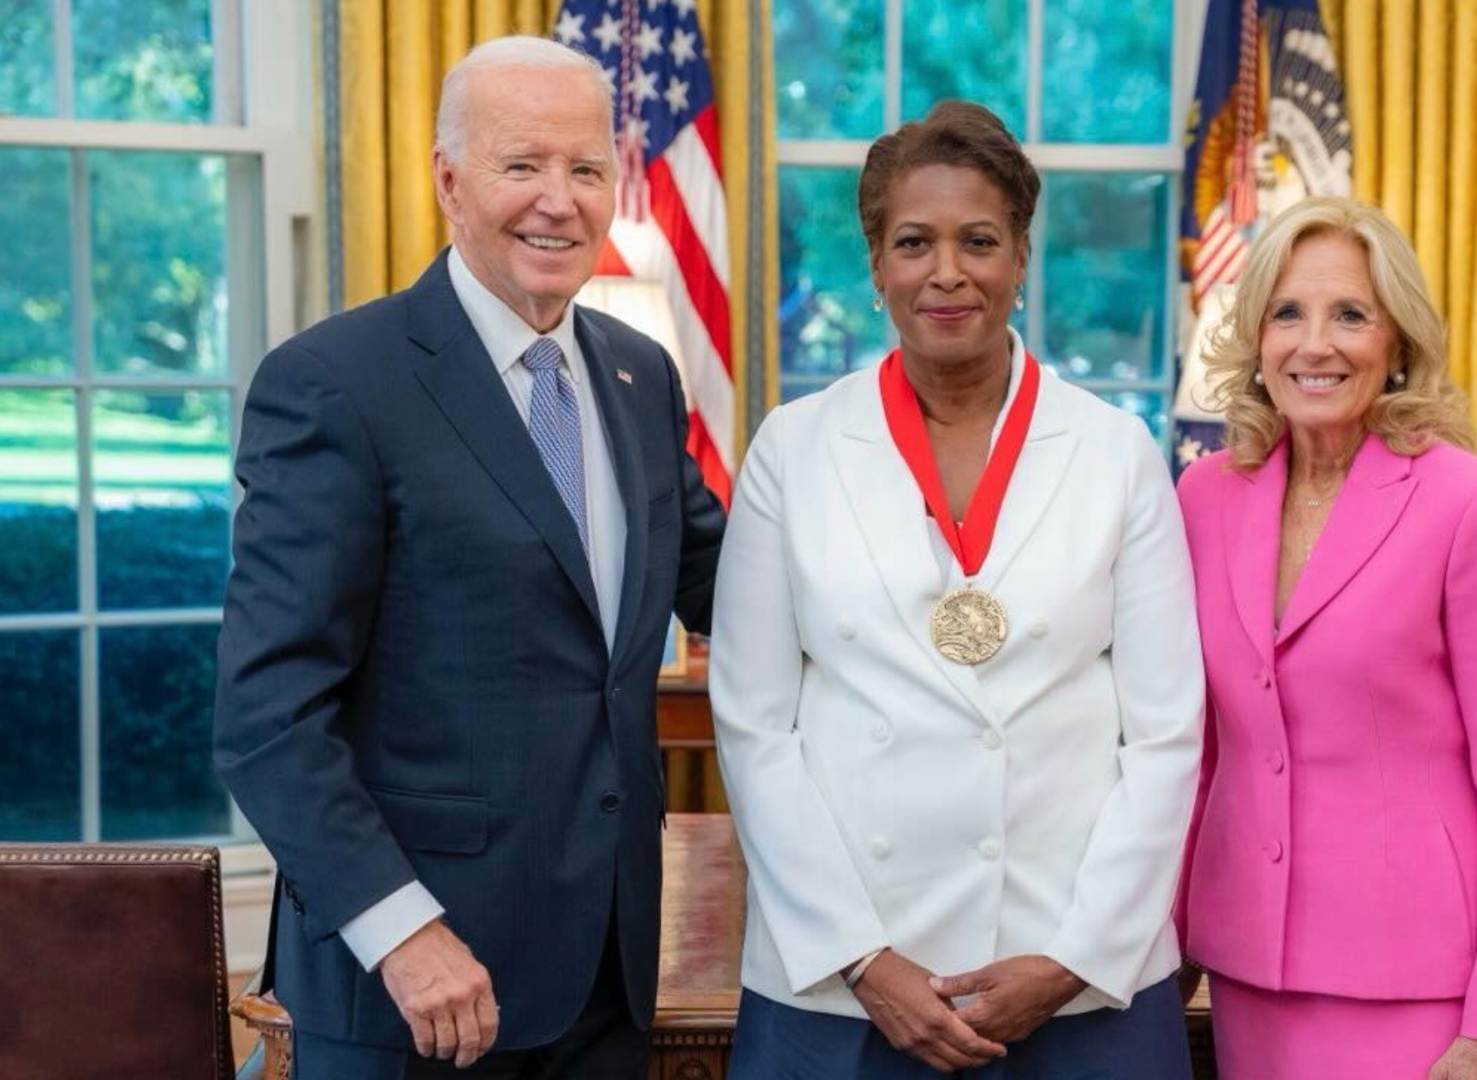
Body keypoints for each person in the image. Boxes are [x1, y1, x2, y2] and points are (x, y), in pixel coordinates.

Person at [213, 35, 726, 1078]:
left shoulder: (639, 375)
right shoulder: (337, 383)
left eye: (586, 170)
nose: (560, 200)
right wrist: (400, 931)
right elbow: (268, 714)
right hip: (415, 990)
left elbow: (735, 585)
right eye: (522, 165)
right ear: (450, 180)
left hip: (606, 976)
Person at [709, 100, 1203, 1078]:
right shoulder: (793, 450)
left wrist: (1072, 958)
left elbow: (1165, 735)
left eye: (978, 240)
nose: (946, 271)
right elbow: (755, 727)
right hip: (842, 981)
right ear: (876, 263)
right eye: (913, 242)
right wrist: (864, 957)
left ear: (1021, 257)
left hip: (1077, 977)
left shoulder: (1115, 454)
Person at [1174, 196, 1477, 1079]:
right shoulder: (1203, 499)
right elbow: (1198, 751)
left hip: (1416, 982)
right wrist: (1164, 941)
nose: (1316, 344)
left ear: (1396, 344)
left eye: (1350, 314)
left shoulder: (1475, 505)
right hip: (1245, 969)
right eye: (1288, 313)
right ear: (1257, 339)